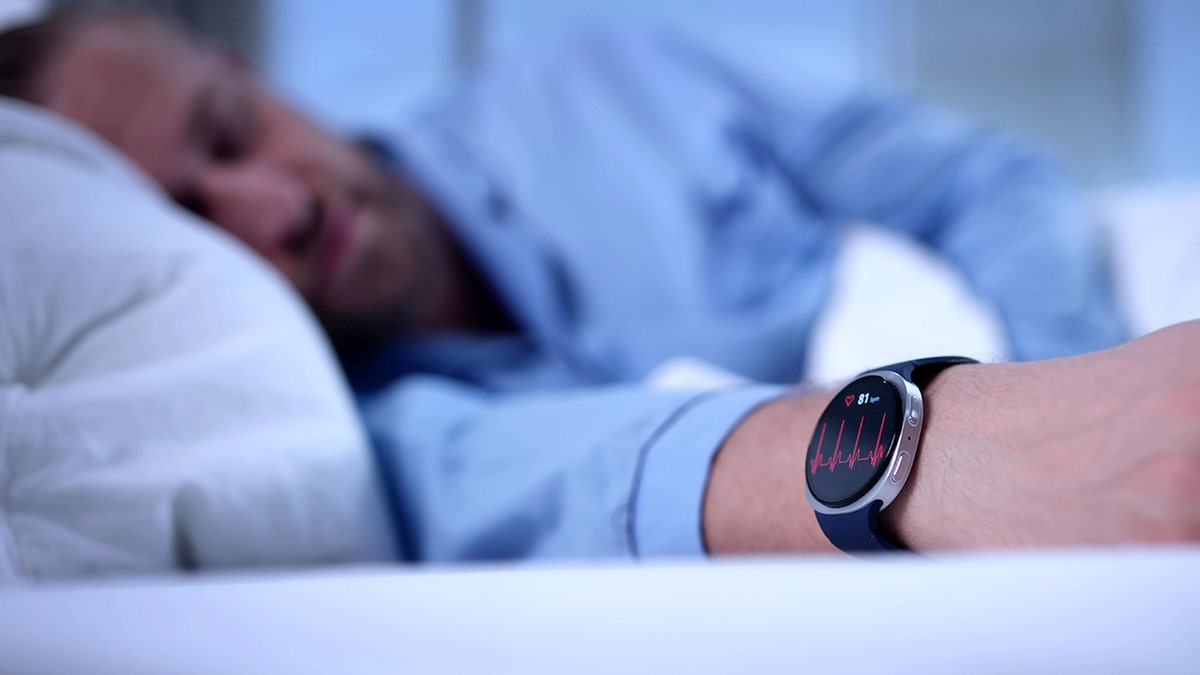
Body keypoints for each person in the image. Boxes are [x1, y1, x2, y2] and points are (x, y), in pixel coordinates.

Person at [1, 10, 1196, 560]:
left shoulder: (596, 79)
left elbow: (978, 177)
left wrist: (1072, 379)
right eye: (192, 224)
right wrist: (969, 453)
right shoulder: (346, 446)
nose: (274, 205)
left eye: (233, 128)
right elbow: (597, 473)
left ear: (243, 71)